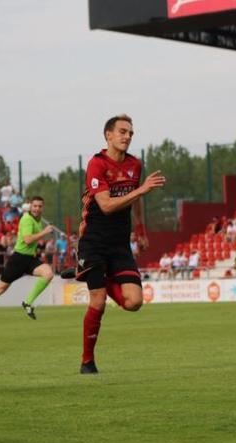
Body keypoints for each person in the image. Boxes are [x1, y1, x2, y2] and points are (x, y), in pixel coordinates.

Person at [60, 114, 166, 374]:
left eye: (130, 132)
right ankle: (87, 361)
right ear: (108, 135)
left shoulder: (134, 165)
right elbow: (106, 206)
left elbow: (134, 200)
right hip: (93, 242)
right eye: (122, 131)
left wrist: (140, 228)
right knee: (97, 302)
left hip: (120, 244)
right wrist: (141, 190)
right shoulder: (96, 164)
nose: (127, 136)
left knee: (134, 302)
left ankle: (87, 273)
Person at [0, 196, 55, 332]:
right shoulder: (27, 219)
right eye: (35, 206)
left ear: (42, 208)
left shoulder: (38, 220)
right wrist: (45, 232)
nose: (37, 208)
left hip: (29, 259)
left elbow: (33, 241)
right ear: (30, 206)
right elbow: (28, 240)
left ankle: (28, 302)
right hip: (18, 259)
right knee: (0, 289)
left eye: (40, 206)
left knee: (48, 273)